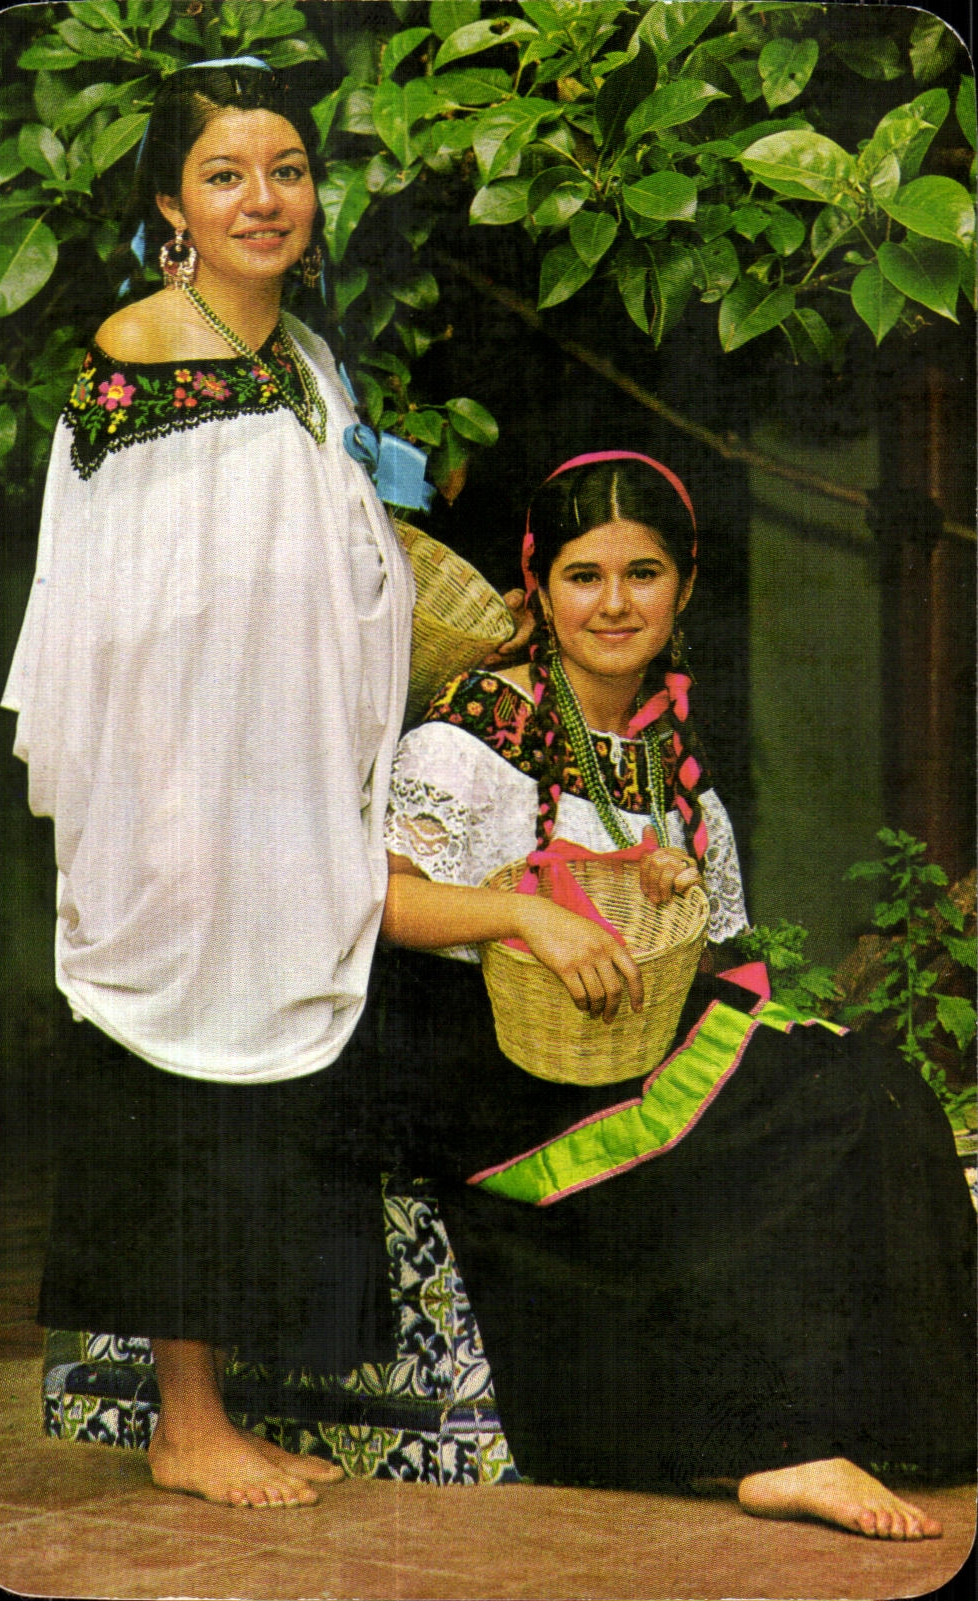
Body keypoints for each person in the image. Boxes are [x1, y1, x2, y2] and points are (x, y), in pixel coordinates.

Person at [379, 451, 975, 1540]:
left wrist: (661, 887)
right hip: (490, 1067)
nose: (615, 603)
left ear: (685, 585)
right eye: (584, 574)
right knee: (803, 1117)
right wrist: (528, 914)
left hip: (625, 1040)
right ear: (538, 586)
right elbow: (377, 899)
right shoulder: (471, 728)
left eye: (643, 573)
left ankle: (913, 1417)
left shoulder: (668, 744)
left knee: (866, 1077)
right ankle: (778, 1442)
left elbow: (702, 949)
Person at [1, 62, 420, 1508]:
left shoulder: (301, 355)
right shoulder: (147, 349)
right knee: (187, 1092)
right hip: (191, 791)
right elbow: (136, 619)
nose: (266, 199)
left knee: (263, 1101)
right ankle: (186, 1425)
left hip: (287, 783)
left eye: (289, 169)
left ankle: (218, 1411)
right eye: (229, 174)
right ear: (172, 205)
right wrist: (185, 807)